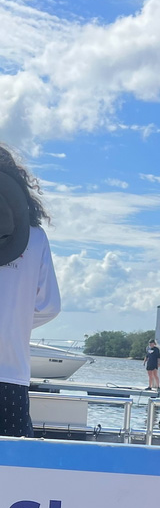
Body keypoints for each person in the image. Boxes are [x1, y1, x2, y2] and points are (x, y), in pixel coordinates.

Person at [0, 146, 61, 437]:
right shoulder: (35, 240)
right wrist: (16, 321)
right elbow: (50, 306)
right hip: (11, 377)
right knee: (11, 475)